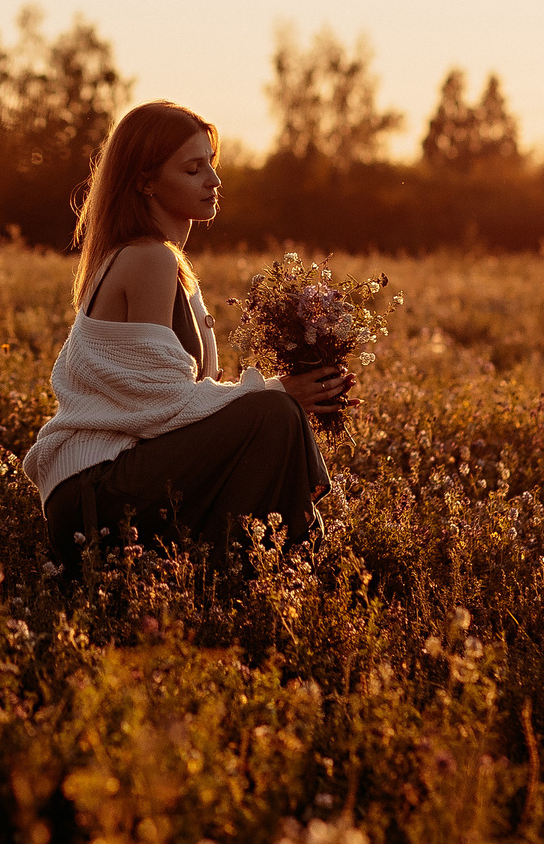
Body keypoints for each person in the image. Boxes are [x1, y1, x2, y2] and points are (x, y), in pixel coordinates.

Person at [20, 99, 353, 575]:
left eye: (212, 165)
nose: (214, 181)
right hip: (96, 494)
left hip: (112, 487)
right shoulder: (148, 258)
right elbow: (164, 407)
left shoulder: (165, 265)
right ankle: (291, 568)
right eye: (194, 169)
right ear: (145, 181)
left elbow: (191, 412)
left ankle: (251, 572)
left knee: (273, 414)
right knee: (273, 412)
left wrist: (301, 386)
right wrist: (282, 393)